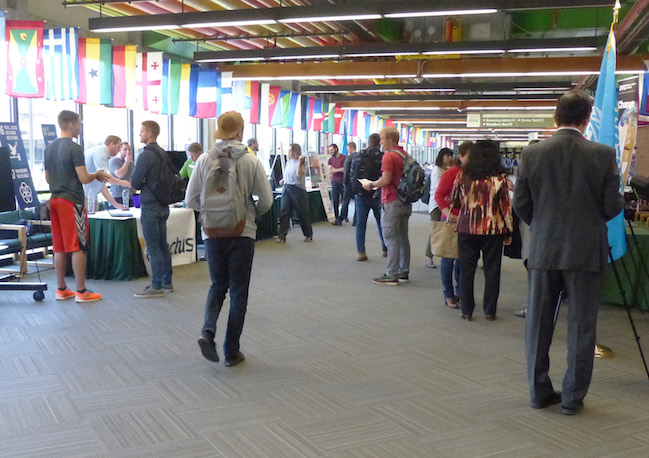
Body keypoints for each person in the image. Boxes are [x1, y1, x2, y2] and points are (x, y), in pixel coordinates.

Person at [513, 90, 624, 415]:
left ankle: (538, 393)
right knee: (581, 326)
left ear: (555, 116)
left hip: (544, 249)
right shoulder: (603, 154)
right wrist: (588, 224)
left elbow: (520, 203)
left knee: (538, 325)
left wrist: (543, 224)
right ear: (588, 119)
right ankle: (572, 398)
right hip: (586, 251)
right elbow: (612, 205)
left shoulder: (532, 154)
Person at [187, 111, 273, 367]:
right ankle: (231, 352)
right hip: (241, 232)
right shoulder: (250, 160)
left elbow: (190, 200)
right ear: (239, 131)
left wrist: (209, 216)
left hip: (212, 234)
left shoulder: (204, 159)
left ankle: (207, 332)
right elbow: (267, 201)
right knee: (238, 292)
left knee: (217, 286)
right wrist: (251, 213)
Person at [44, 110, 109, 303]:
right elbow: (83, 177)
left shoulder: (49, 148)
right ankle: (81, 291)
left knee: (59, 247)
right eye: (79, 124)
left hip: (54, 200)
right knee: (78, 246)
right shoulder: (75, 148)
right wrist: (96, 174)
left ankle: (62, 289)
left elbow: (48, 178)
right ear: (71, 124)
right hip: (71, 201)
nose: (80, 128)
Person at [450, 140, 512, 321]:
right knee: (492, 270)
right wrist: (508, 232)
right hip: (492, 229)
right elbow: (505, 208)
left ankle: (467, 310)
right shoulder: (499, 179)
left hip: (466, 227)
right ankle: (489, 310)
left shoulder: (462, 176)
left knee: (466, 269)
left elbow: (454, 200)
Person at [363, 126, 412, 285]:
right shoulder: (405, 155)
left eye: (383, 139)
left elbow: (385, 180)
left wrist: (371, 184)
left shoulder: (389, 156)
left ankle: (392, 274)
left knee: (391, 237)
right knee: (403, 237)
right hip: (405, 201)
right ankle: (404, 271)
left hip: (391, 200)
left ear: (390, 140)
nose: (381, 142)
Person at [131, 121, 173, 298]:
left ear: (149, 133)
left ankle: (156, 286)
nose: (139, 134)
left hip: (150, 205)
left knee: (153, 247)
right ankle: (167, 281)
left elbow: (135, 183)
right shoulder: (163, 153)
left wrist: (144, 181)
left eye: (141, 131)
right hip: (164, 204)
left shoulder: (145, 155)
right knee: (163, 245)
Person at [435, 142, 472, 308]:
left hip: (469, 221)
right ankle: (448, 293)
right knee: (449, 257)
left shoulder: (475, 174)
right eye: (469, 157)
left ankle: (460, 291)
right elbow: (439, 195)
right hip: (451, 220)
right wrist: (448, 213)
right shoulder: (451, 173)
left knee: (463, 259)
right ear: (461, 156)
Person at [352, 133, 387, 261]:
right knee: (381, 222)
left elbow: (351, 173)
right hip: (377, 194)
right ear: (379, 143)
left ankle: (361, 252)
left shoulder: (358, 156)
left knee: (361, 223)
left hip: (361, 193)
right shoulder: (382, 157)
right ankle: (385, 248)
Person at [276, 143, 313, 243]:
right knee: (284, 211)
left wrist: (300, 163)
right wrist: (284, 179)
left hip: (297, 189)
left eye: (290, 151)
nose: (288, 152)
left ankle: (308, 234)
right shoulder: (289, 161)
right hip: (287, 187)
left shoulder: (301, 162)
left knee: (302, 213)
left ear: (295, 151)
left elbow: (298, 174)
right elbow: (289, 172)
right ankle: (281, 235)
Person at [424, 148, 454, 269]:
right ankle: (429, 256)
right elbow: (438, 190)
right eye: (447, 156)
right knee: (435, 231)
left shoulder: (446, 170)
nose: (450, 158)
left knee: (442, 231)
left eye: (451, 156)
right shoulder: (437, 170)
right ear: (441, 156)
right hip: (437, 205)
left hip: (445, 205)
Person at [84, 135, 130, 209]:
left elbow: (102, 185)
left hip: (90, 195)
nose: (119, 150)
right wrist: (123, 183)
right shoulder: (100, 152)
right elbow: (104, 177)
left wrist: (116, 204)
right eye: (118, 146)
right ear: (111, 144)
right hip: (84, 195)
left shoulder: (103, 154)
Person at [337, 141, 358, 226]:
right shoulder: (360, 156)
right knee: (357, 202)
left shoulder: (349, 158)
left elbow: (346, 171)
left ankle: (341, 218)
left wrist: (345, 182)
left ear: (351, 148)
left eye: (348, 148)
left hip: (349, 183)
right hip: (358, 183)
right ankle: (356, 220)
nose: (347, 150)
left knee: (345, 201)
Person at [108, 141, 134, 206]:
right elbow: (120, 175)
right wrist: (127, 162)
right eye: (125, 149)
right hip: (117, 195)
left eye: (129, 149)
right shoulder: (114, 162)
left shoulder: (131, 164)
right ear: (120, 150)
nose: (127, 152)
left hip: (129, 195)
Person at [328, 144, 346, 223]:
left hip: (343, 181)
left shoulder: (344, 158)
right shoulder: (330, 160)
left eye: (331, 150)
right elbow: (330, 171)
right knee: (335, 200)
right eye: (330, 150)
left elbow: (344, 169)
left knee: (344, 200)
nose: (330, 152)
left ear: (336, 149)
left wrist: (335, 169)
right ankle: (336, 217)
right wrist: (339, 169)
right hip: (334, 182)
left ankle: (344, 215)